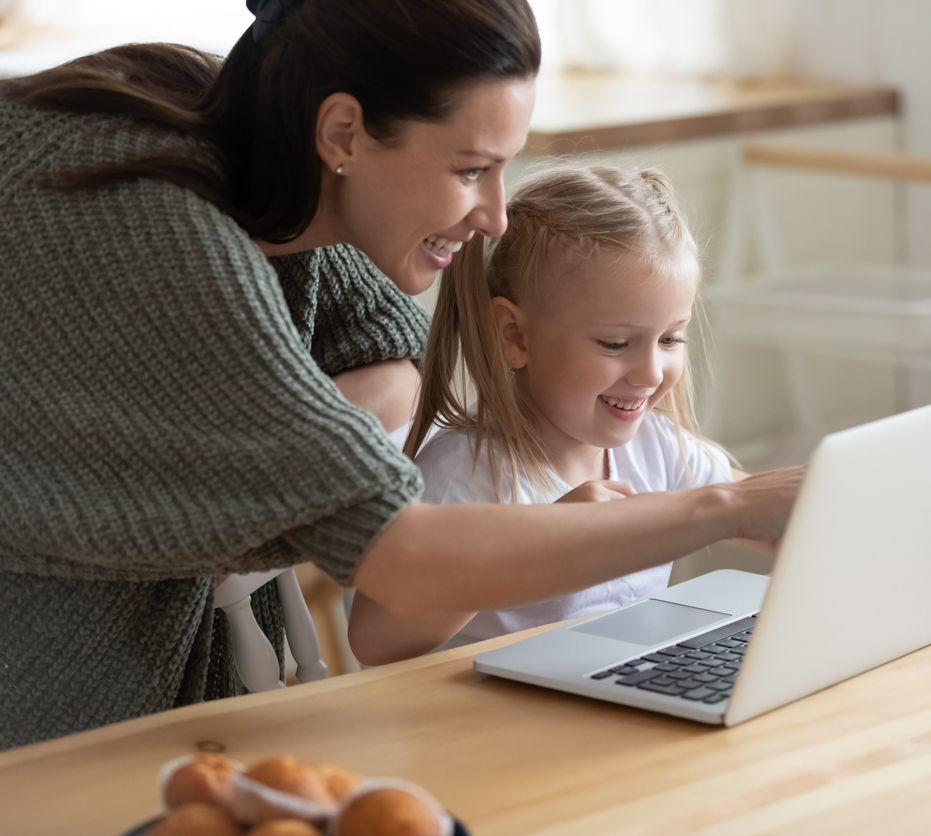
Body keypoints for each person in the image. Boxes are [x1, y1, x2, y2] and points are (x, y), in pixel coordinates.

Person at [0, 0, 801, 752]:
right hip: (49, 712)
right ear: (344, 131)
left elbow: (392, 358)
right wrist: (724, 507)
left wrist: (286, 454)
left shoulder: (278, 159)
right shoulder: (160, 231)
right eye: (470, 170)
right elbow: (403, 560)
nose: (495, 215)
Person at [349, 165, 769, 663]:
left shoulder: (657, 447)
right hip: (488, 726)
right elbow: (374, 641)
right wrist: (548, 542)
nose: (651, 373)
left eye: (670, 338)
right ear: (515, 336)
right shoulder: (464, 475)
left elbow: (763, 513)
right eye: (615, 343)